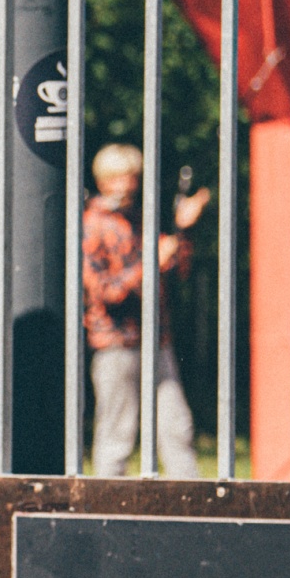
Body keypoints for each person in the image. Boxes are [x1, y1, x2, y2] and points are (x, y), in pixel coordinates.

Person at [83, 142, 205, 478]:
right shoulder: (92, 224)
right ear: (101, 181)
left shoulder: (139, 220)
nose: (126, 186)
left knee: (177, 425)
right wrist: (151, 263)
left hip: (155, 338)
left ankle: (191, 496)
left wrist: (183, 229)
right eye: (116, 179)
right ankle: (108, 500)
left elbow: (177, 272)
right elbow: (105, 292)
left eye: (131, 178)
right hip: (114, 343)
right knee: (117, 432)